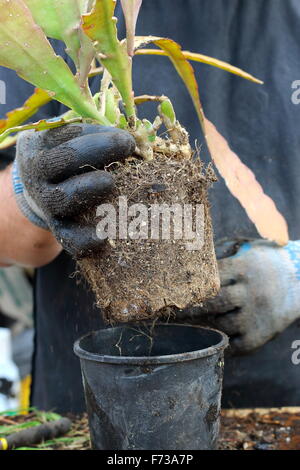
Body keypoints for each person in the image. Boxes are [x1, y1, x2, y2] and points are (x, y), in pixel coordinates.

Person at [0, 0, 299, 413]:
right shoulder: (50, 12)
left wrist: (296, 272)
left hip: (280, 402)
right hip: (96, 406)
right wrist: (30, 193)